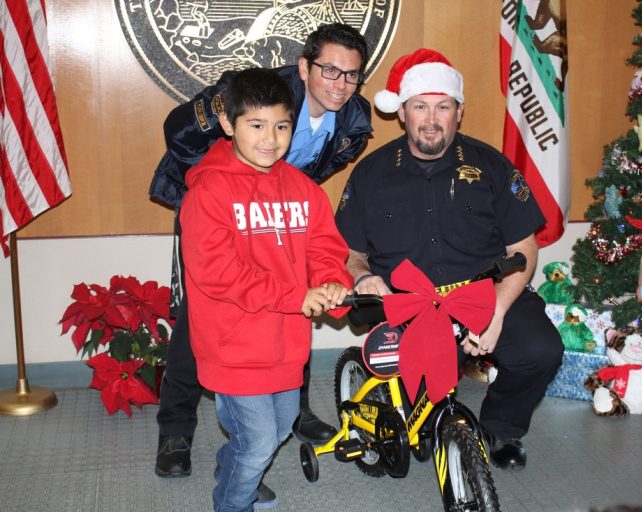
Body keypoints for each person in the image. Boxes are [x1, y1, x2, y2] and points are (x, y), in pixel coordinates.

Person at [150, 23, 371, 478]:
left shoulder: (355, 121)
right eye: (329, 70)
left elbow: (313, 184)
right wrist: (220, 121)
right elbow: (179, 131)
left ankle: (293, 408)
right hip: (224, 211)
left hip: (284, 214)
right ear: (304, 67)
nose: (340, 84)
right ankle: (176, 429)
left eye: (351, 75)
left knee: (296, 306)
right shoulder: (256, 91)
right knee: (203, 316)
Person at [335, 48, 565, 471]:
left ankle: (502, 427)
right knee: (418, 421)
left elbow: (524, 249)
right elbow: (351, 255)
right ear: (401, 112)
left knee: (541, 349)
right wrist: (364, 276)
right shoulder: (370, 174)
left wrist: (497, 308)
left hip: (484, 293)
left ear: (459, 112)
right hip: (411, 305)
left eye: (443, 106)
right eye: (420, 106)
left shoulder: (492, 166)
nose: (431, 119)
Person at [180, 67, 352, 511]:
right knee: (257, 442)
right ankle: (232, 502)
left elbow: (324, 248)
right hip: (233, 344)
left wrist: (332, 282)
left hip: (286, 344)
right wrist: (295, 296)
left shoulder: (302, 189)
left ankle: (233, 463)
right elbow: (216, 270)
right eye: (256, 125)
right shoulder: (209, 191)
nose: (270, 139)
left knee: (278, 429)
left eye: (281, 126)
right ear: (227, 124)